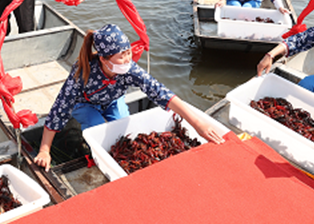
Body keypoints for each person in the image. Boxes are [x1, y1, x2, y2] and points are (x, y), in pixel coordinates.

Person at [33, 24, 225, 170]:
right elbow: (60, 109)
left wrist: (197, 123)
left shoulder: (129, 69)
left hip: (113, 100)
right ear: (103, 59)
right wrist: (44, 150)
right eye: (121, 56)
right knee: (97, 128)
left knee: (122, 133)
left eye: (128, 53)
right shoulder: (82, 72)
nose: (127, 60)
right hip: (85, 104)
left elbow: (161, 92)